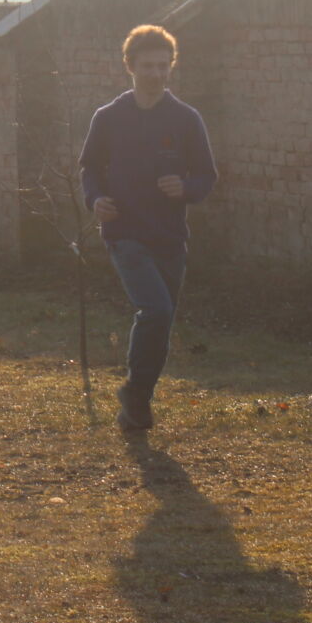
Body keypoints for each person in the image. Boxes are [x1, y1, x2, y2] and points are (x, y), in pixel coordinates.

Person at [78, 24, 218, 432]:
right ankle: (135, 395)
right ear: (130, 66)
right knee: (155, 309)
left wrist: (186, 188)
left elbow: (207, 175)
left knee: (162, 320)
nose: (157, 73)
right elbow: (89, 168)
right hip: (124, 233)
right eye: (148, 66)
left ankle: (137, 401)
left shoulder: (186, 119)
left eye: (163, 65)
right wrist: (95, 199)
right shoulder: (109, 118)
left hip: (170, 237)